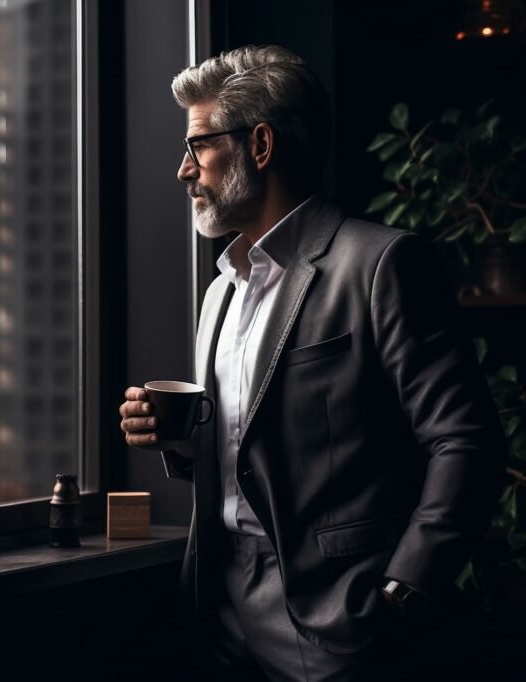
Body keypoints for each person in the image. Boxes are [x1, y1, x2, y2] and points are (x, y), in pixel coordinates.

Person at [119, 44, 506, 681]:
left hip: (340, 614)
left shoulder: (382, 265)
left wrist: (402, 591)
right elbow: (260, 448)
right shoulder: (220, 290)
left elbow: (467, 441)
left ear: (261, 145)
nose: (185, 171)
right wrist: (180, 443)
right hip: (214, 606)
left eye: (199, 146)